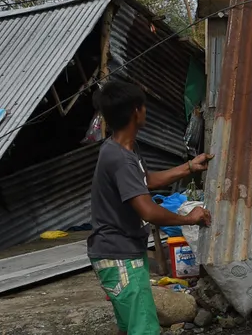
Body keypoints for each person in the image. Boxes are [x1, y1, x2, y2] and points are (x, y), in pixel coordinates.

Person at [87, 80, 212, 335]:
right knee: (144, 329)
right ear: (136, 111)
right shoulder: (120, 158)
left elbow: (145, 181)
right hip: (119, 257)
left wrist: (188, 167)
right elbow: (147, 210)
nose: (146, 111)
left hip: (121, 253)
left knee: (132, 327)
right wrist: (189, 218)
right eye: (144, 106)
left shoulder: (123, 149)